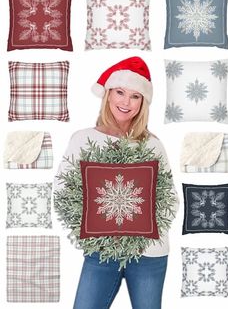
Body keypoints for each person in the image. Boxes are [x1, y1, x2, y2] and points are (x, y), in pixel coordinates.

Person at [55, 56, 179, 309]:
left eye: (135, 96)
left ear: (143, 102)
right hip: (100, 251)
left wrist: (140, 231)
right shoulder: (83, 139)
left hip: (149, 252)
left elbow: (169, 197)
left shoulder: (152, 144)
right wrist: (98, 234)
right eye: (120, 92)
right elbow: (63, 190)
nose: (126, 102)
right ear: (108, 94)